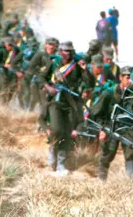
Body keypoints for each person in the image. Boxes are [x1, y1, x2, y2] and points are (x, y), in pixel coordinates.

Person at [39, 41, 94, 176]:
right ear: (60, 51)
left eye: (70, 51)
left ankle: (61, 164)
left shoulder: (76, 67)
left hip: (71, 104)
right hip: (55, 102)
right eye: (65, 50)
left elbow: (90, 83)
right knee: (57, 130)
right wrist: (49, 87)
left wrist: (84, 69)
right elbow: (41, 77)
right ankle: (52, 154)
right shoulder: (54, 64)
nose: (67, 53)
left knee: (67, 133)